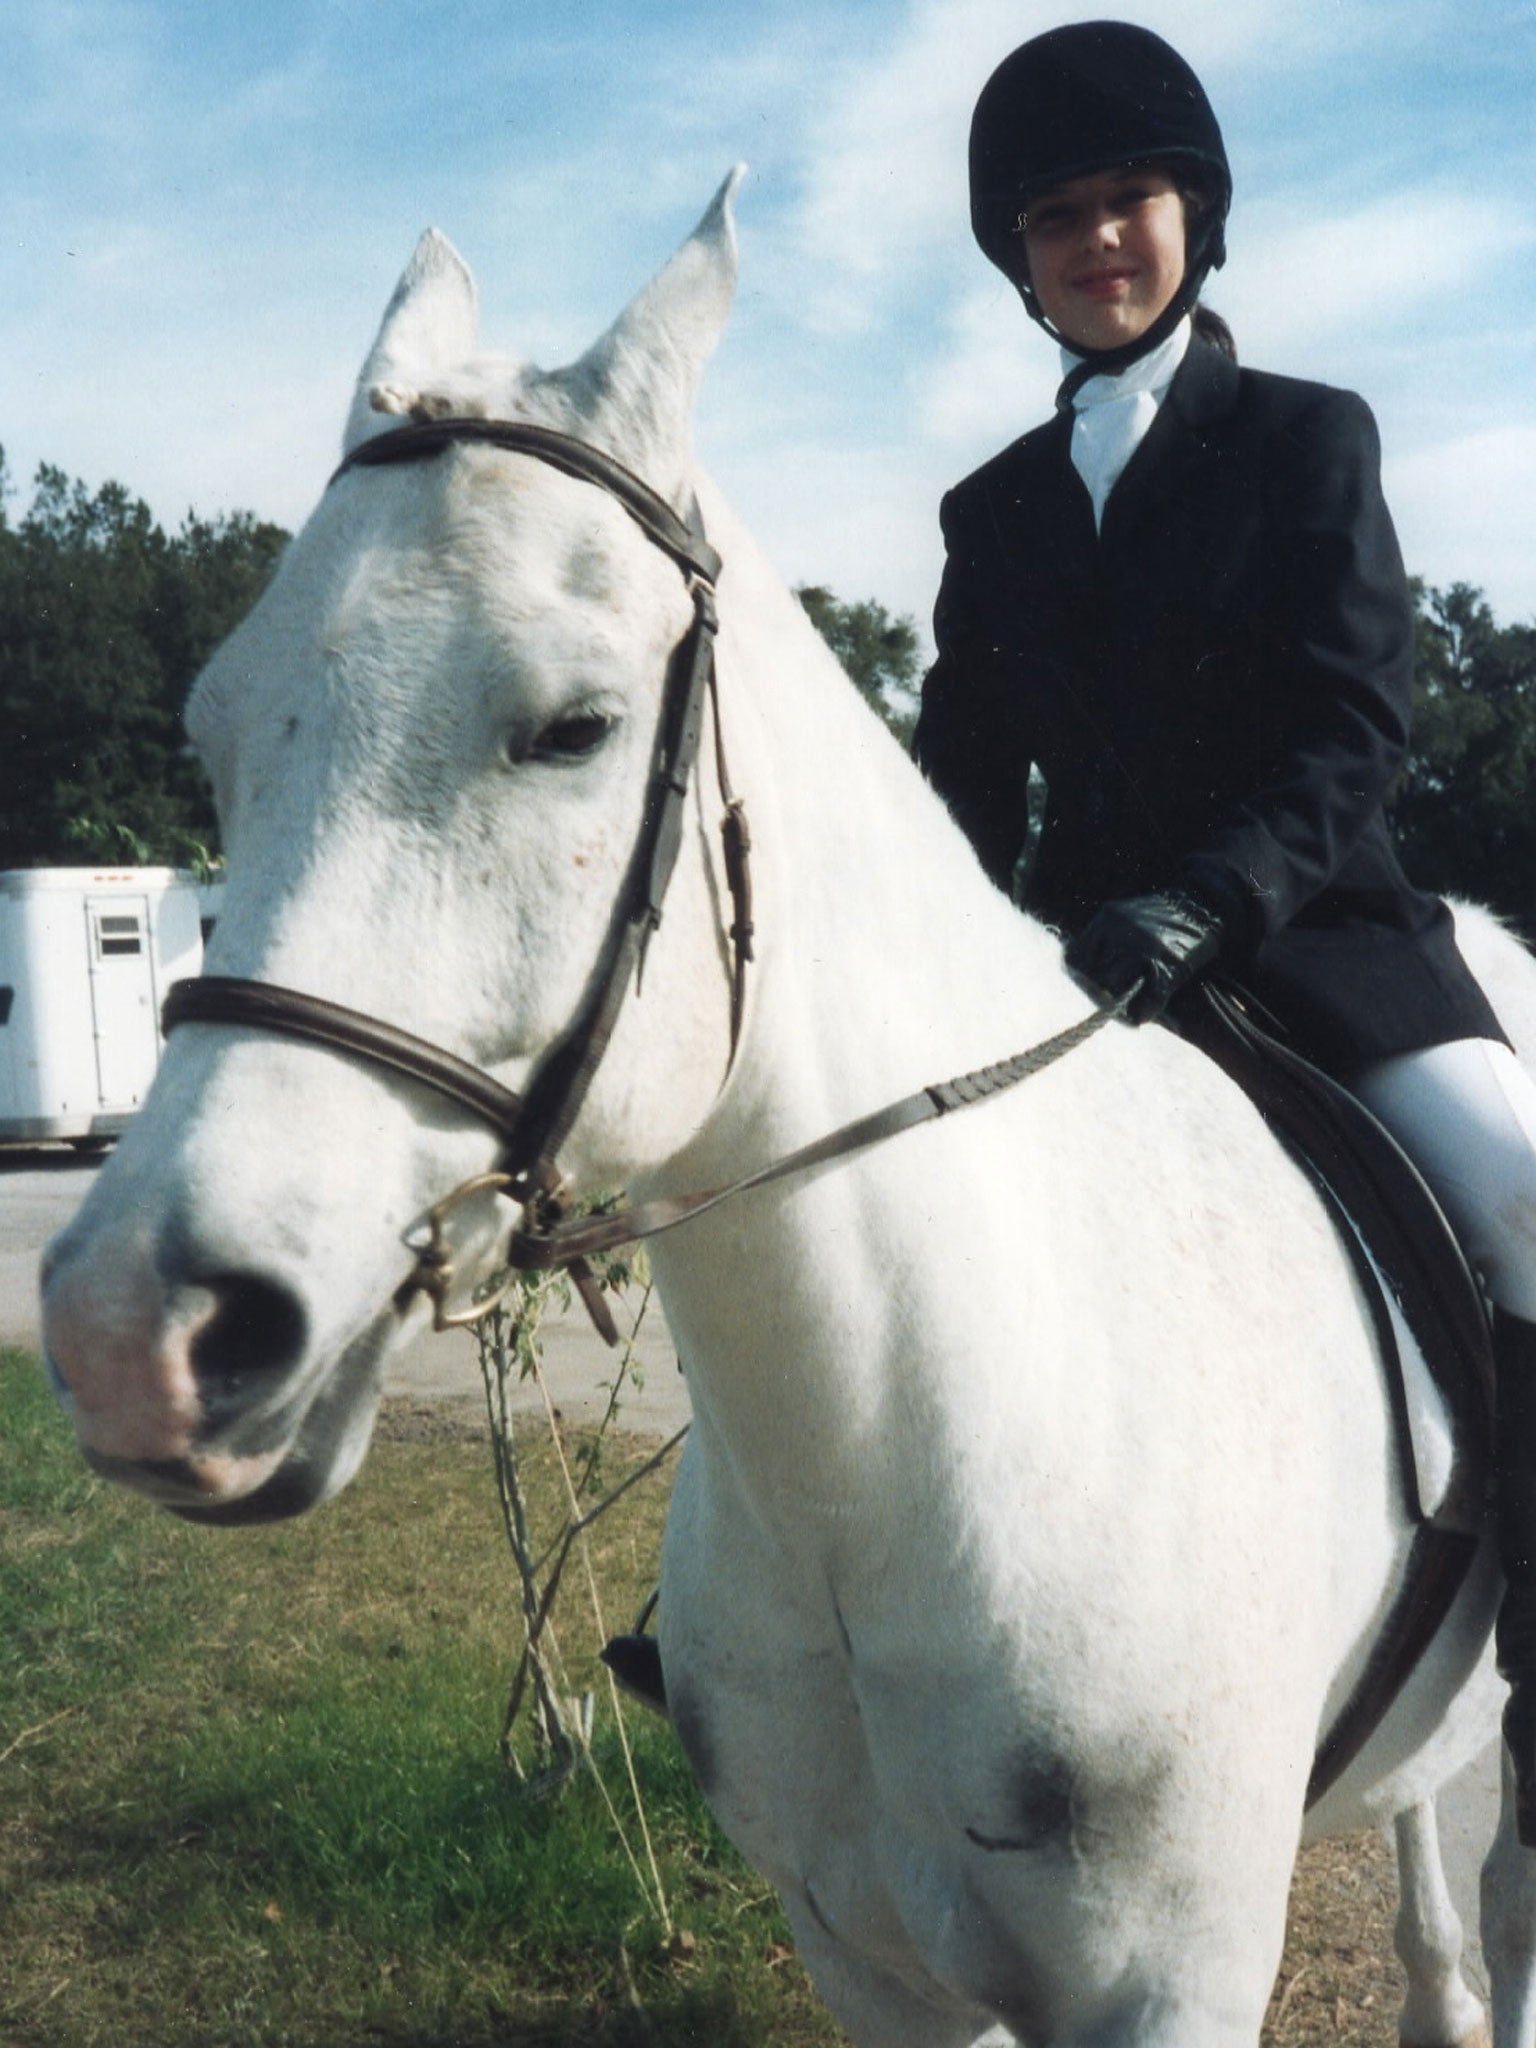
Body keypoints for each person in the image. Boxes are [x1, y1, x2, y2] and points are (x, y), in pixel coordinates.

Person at [913, 19, 1536, 1839]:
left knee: (1521, 1195)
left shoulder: (1303, 440)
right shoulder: (993, 511)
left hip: (1318, 940)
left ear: (1196, 213)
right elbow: (960, 779)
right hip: (1091, 966)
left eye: (1130, 200)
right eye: (1058, 217)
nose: (1100, 239)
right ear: (1016, 257)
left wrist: (1214, 895)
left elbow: (1358, 726)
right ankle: (768, 1630)